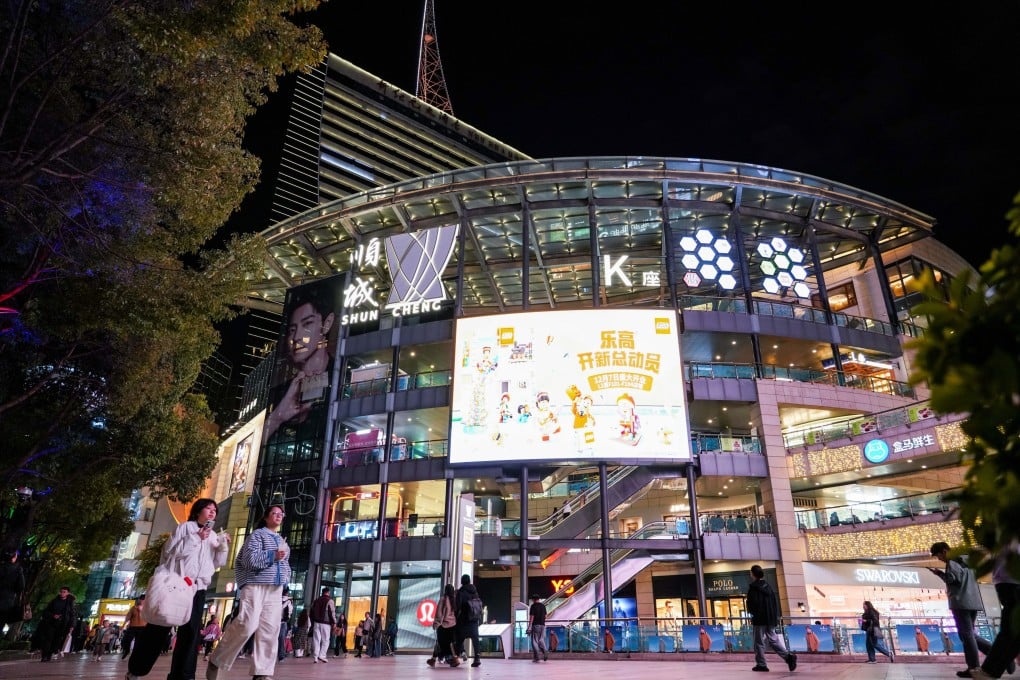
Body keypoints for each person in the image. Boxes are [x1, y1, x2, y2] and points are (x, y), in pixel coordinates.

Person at [125, 497, 230, 680]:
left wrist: (223, 547)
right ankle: (136, 670)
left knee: (190, 634)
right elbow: (171, 553)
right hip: (177, 585)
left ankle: (183, 675)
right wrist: (196, 538)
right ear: (198, 511)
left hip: (198, 589)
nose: (212, 512)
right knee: (159, 628)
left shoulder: (213, 535)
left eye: (215, 510)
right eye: (208, 508)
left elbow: (216, 564)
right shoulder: (185, 528)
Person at [206, 505, 291, 680]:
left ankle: (262, 672)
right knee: (247, 624)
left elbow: (285, 564)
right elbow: (249, 560)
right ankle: (217, 659)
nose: (278, 516)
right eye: (274, 513)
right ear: (266, 517)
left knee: (270, 630)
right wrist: (272, 556)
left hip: (275, 589)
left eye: (281, 514)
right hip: (255, 585)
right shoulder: (257, 535)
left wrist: (285, 576)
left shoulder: (282, 540)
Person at [263, 283, 337, 440]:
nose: (296, 337)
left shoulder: (341, 378)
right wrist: (277, 417)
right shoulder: (280, 394)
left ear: (327, 323)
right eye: (292, 330)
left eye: (307, 324)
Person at [929, 541, 994, 678]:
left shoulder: (952, 562)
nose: (939, 559)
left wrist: (939, 574)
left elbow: (953, 580)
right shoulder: (968, 560)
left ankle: (974, 668)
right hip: (973, 601)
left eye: (938, 556)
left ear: (944, 551)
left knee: (967, 635)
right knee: (970, 634)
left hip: (960, 602)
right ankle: (997, 656)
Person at [971, 541, 1020, 680]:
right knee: (1012, 627)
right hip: (1011, 581)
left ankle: (994, 668)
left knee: (1012, 627)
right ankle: (993, 668)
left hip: (1008, 580)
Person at [746, 564, 796, 672]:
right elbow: (774, 604)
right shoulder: (768, 587)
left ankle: (761, 664)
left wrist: (753, 614)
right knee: (773, 639)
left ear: (752, 574)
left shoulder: (753, 588)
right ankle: (788, 657)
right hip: (770, 619)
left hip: (760, 620)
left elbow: (752, 604)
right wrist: (774, 618)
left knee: (758, 642)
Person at [32, 585, 76, 662]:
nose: (62, 593)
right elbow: (46, 611)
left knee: (56, 640)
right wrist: (53, 615)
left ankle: (49, 654)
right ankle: (44, 655)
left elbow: (72, 615)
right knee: (48, 639)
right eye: (61, 592)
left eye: (64, 592)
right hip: (51, 623)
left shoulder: (70, 603)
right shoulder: (54, 601)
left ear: (68, 593)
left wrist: (72, 625)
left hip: (62, 625)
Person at [426, 584, 460, 667]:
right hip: (453, 625)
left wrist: (436, 623)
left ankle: (433, 660)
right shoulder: (454, 599)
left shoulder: (443, 599)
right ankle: (454, 658)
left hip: (443, 625)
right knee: (450, 643)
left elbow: (439, 613)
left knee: (439, 643)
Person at [455, 573, 482, 667]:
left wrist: (455, 616)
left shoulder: (461, 592)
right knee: (475, 639)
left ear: (462, 581)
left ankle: (455, 658)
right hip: (474, 619)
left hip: (464, 619)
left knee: (459, 638)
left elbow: (457, 606)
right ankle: (477, 657)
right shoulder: (475, 592)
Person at [0, 548, 25, 631]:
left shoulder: (2, 566)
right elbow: (21, 587)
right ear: (13, 558)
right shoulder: (18, 570)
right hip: (6, 604)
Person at [309, 586, 336, 663]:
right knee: (326, 640)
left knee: (316, 640)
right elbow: (332, 613)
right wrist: (334, 622)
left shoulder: (316, 601)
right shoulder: (330, 601)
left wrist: (312, 621)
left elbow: (311, 612)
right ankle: (322, 655)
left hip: (316, 623)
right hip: (326, 623)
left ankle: (315, 657)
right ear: (328, 592)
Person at [527, 593, 548, 663]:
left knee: (534, 641)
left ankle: (537, 657)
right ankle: (545, 650)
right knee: (541, 639)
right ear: (539, 599)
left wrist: (529, 626)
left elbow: (532, 617)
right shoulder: (543, 606)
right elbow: (545, 616)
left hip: (536, 625)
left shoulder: (533, 606)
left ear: (533, 599)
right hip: (543, 625)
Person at [277, 585, 291, 661]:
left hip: (275, 621)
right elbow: (289, 612)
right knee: (281, 638)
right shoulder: (288, 601)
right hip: (282, 622)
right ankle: (281, 655)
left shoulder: (276, 599)